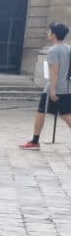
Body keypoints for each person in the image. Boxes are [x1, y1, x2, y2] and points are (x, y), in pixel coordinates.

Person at [19, 21, 71, 149]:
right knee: (62, 114)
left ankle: (35, 141)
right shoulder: (68, 48)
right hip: (67, 86)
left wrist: (52, 89)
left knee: (45, 112)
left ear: (53, 35)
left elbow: (54, 70)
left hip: (56, 88)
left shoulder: (53, 50)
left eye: (49, 31)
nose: (47, 33)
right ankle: (35, 140)